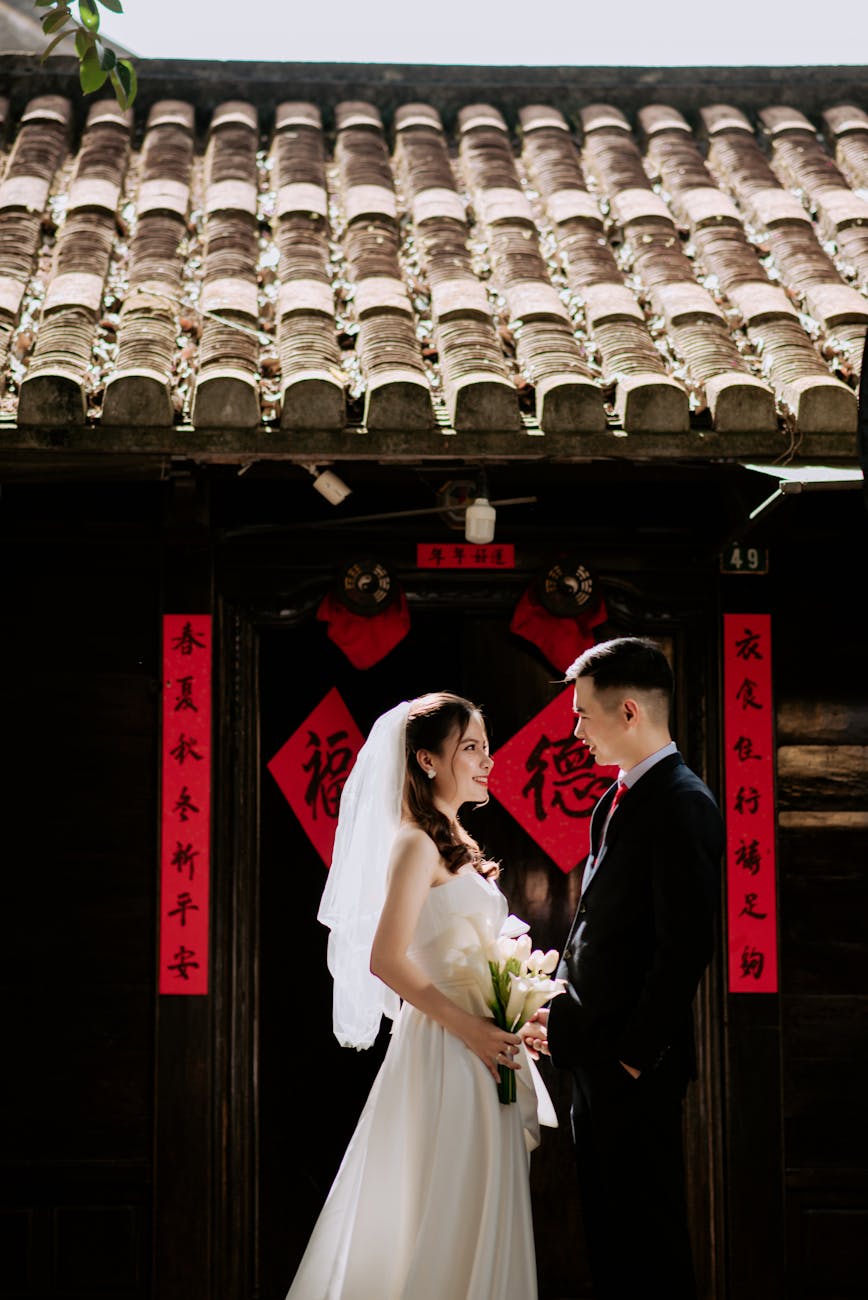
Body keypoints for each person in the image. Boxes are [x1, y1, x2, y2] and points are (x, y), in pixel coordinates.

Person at [286, 691, 556, 1300]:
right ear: (427, 760)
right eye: (471, 748)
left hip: (483, 1046)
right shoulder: (415, 843)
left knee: (478, 1204)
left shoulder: (454, 839)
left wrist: (513, 1014)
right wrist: (472, 1027)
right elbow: (386, 958)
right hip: (447, 1048)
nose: (487, 760)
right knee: (444, 1206)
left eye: (486, 747)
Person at [532, 636, 724, 1300]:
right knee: (612, 1243)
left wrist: (634, 1057)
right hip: (595, 1057)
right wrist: (559, 1016)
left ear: (630, 712)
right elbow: (600, 933)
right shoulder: (612, 801)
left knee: (650, 1248)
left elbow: (685, 947)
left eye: (583, 715)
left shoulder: (683, 801)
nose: (576, 732)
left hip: (634, 1068)